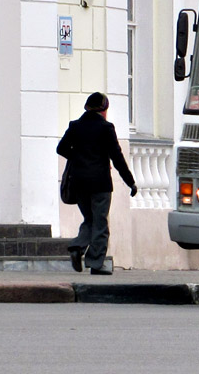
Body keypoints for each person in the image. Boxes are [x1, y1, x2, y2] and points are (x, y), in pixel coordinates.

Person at [56, 92, 138, 275]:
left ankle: (78, 246)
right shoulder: (106, 128)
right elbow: (117, 158)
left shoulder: (75, 126)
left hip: (79, 182)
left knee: (90, 219)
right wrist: (130, 182)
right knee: (100, 222)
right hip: (100, 183)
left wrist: (78, 158)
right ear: (103, 110)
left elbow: (60, 148)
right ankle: (95, 263)